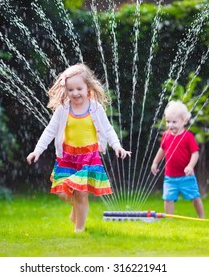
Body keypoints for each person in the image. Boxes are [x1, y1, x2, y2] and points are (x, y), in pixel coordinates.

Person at [26, 63, 131, 232]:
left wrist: (117, 146)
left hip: (89, 157)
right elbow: (50, 131)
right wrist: (37, 150)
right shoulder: (63, 109)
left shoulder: (95, 108)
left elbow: (108, 129)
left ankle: (79, 229)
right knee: (62, 192)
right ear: (65, 90)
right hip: (67, 157)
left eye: (79, 89)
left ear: (88, 87)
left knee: (81, 193)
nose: (75, 93)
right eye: (70, 90)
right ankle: (77, 208)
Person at [150, 101, 205, 218]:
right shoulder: (166, 135)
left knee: (194, 198)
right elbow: (162, 150)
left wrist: (190, 166)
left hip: (186, 176)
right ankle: (170, 220)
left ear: (184, 121)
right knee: (168, 199)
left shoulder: (188, 136)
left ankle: (201, 218)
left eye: (174, 122)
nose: (170, 125)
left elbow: (195, 153)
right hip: (170, 177)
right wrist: (155, 162)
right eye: (168, 121)